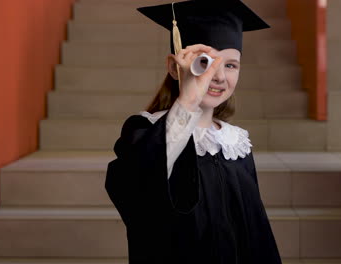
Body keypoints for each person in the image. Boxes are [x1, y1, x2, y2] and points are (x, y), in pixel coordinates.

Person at [105, 1, 282, 263]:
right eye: (206, 62)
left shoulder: (235, 143)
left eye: (231, 65)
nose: (219, 76)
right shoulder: (144, 132)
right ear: (175, 67)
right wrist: (188, 100)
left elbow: (258, 231)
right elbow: (136, 194)